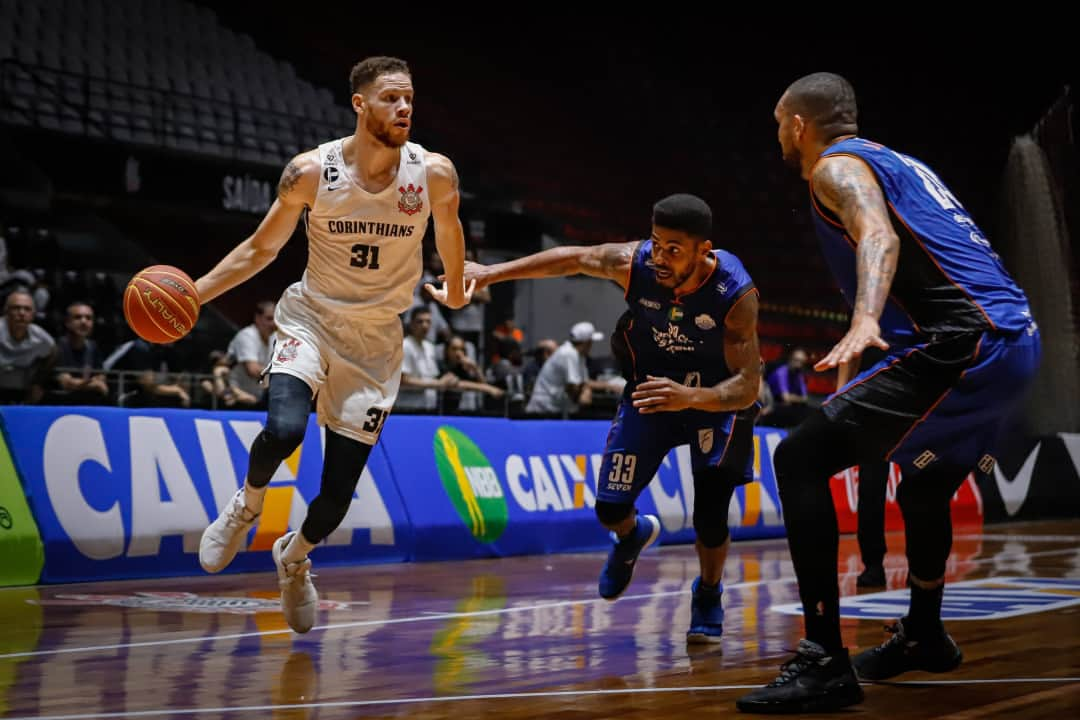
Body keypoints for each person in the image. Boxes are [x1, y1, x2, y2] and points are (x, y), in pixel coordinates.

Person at [736, 72, 1040, 713]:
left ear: (797, 125)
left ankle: (823, 660)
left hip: (966, 342)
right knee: (924, 483)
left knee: (798, 459)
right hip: (1014, 337)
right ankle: (924, 634)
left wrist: (865, 318)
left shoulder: (834, 169)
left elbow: (879, 235)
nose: (780, 143)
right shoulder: (904, 163)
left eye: (778, 128)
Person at [194, 56, 474, 634]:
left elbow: (448, 228)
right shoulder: (309, 172)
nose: (404, 109)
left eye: (410, 101)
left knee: (337, 495)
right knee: (284, 429)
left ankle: (295, 558)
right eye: (392, 98)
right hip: (311, 319)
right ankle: (247, 505)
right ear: (359, 103)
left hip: (376, 339)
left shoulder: (434, 174)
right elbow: (258, 250)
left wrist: (451, 287)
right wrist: (194, 294)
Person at [464, 194, 761, 642]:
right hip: (650, 393)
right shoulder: (634, 263)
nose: (660, 257)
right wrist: (490, 272)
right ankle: (631, 535)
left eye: (674, 249)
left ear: (704, 251)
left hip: (712, 404)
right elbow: (573, 260)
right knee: (609, 508)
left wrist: (692, 396)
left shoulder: (734, 293)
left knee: (711, 516)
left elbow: (747, 385)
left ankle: (708, 592)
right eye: (656, 243)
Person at [525, 321, 609, 417]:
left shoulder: (578, 355)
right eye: (591, 342)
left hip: (554, 410)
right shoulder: (569, 354)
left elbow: (584, 382)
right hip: (542, 412)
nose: (591, 345)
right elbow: (573, 387)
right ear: (586, 343)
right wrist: (584, 392)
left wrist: (611, 386)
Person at [0, 289, 55, 403]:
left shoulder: (40, 337)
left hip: (22, 389)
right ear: (6, 311)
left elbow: (53, 352)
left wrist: (38, 382)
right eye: (16, 308)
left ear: (33, 314)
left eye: (27, 309)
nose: (21, 313)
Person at [53, 301, 110, 405]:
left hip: (87, 403)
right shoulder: (57, 347)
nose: (84, 321)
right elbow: (66, 383)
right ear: (67, 322)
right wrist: (92, 383)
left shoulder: (93, 347)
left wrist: (83, 383)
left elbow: (101, 378)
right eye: (77, 317)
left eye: (88, 318)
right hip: (61, 404)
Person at [225, 300, 277, 407]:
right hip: (234, 399)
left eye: (276, 319)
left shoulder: (275, 337)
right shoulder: (247, 335)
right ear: (257, 318)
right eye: (269, 319)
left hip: (258, 398)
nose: (273, 323)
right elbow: (253, 370)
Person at [765, 347, 810, 427]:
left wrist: (793, 398)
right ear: (790, 359)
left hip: (787, 406)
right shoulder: (781, 372)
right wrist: (798, 399)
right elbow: (786, 398)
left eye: (802, 362)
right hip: (771, 405)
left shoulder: (799, 375)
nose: (798, 365)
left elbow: (805, 398)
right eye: (796, 360)